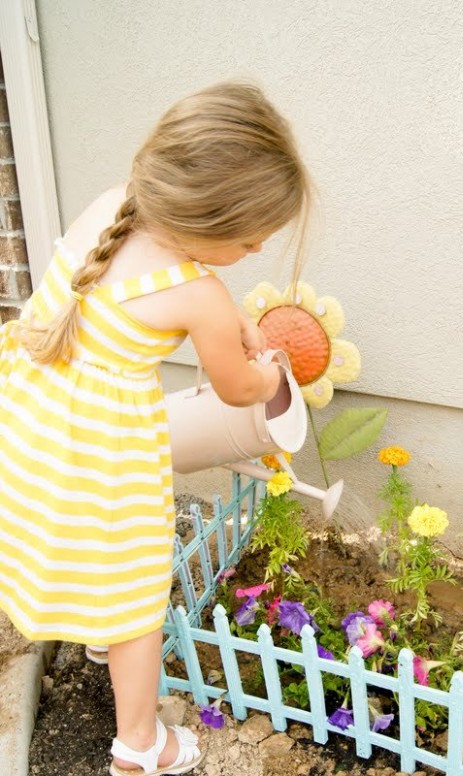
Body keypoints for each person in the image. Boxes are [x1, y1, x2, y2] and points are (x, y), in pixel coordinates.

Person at [0, 82, 310, 776]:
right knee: (137, 586)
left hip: (35, 420)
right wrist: (267, 371)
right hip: (102, 449)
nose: (259, 246)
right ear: (204, 222)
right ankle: (140, 747)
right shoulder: (201, 293)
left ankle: (97, 631)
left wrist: (232, 322)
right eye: (251, 236)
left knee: (79, 545)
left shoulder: (113, 203)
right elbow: (237, 388)